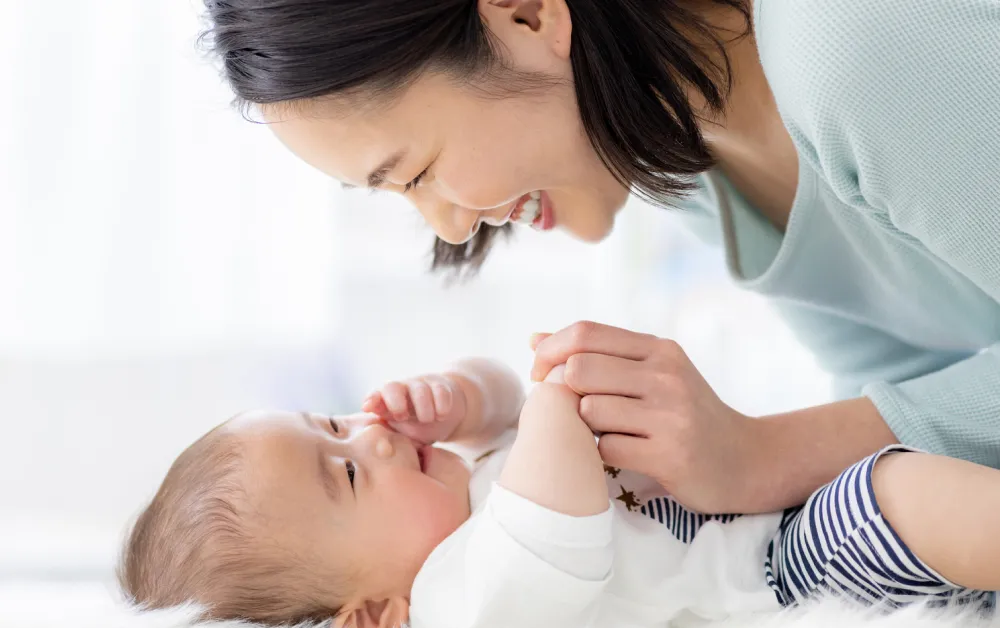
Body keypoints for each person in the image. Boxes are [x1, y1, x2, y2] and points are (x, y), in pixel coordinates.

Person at [200, 0, 1000, 516]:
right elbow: (893, 384)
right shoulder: (687, 162)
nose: (446, 228)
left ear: (526, 15)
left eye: (414, 171)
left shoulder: (850, 51)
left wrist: (766, 454)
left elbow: (861, 424)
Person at [118, 358, 998, 628]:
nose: (372, 433)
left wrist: (470, 395)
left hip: (764, 496)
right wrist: (547, 395)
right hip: (784, 563)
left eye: (334, 422)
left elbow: (507, 400)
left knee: (909, 447)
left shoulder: (474, 487)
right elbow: (560, 506)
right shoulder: (460, 597)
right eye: (345, 470)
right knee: (897, 490)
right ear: (372, 612)